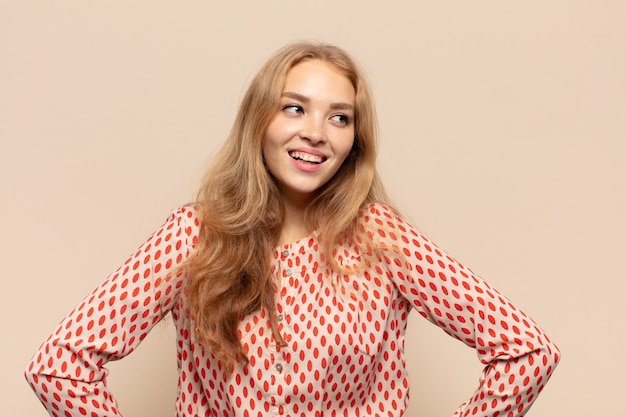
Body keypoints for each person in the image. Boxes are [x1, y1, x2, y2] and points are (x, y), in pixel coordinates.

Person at [25, 41, 559, 417]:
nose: (315, 133)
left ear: (355, 140)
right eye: (294, 108)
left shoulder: (381, 237)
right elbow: (59, 367)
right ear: (259, 120)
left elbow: (527, 351)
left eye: (339, 117)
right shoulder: (195, 235)